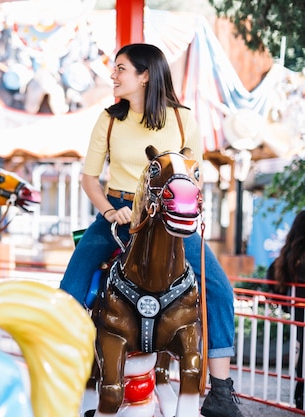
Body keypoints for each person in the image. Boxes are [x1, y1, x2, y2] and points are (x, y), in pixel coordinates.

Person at [61, 44, 242, 417]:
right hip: (118, 212)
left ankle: (222, 390)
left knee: (219, 288)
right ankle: (68, 373)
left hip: (170, 220)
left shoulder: (181, 121)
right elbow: (89, 178)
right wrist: (110, 211)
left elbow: (193, 175)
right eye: (115, 68)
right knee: (70, 290)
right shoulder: (109, 119)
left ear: (145, 75)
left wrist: (185, 207)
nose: (113, 75)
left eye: (121, 69)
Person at [267, 210, 305, 409]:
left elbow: (271, 276)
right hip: (300, 311)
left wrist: (284, 305)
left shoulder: (289, 255)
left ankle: (300, 396)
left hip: (298, 312)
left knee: (303, 354)